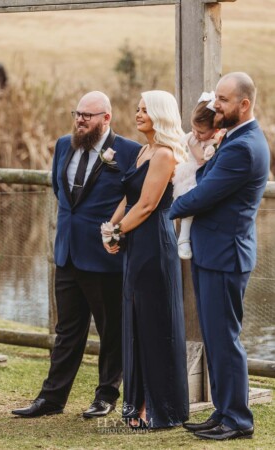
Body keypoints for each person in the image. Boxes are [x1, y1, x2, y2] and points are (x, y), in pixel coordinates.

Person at [12, 91, 141, 418]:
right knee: (67, 330)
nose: (80, 120)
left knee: (111, 330)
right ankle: (51, 399)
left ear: (106, 118)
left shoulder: (128, 152)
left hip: (105, 257)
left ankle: (106, 396)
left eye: (88, 115)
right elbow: (61, 191)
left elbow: (137, 198)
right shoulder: (62, 145)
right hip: (67, 253)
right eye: (78, 113)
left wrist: (116, 232)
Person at [170, 72, 270, 441]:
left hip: (225, 255)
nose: (216, 106)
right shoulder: (234, 138)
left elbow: (202, 195)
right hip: (214, 252)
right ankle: (223, 410)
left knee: (225, 339)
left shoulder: (243, 147)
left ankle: (238, 420)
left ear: (244, 104)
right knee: (215, 337)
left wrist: (160, 209)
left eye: (223, 101)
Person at [101, 90, 189, 429]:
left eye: (144, 110)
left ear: (160, 115)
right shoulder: (143, 151)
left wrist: (118, 233)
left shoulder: (165, 155)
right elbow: (130, 197)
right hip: (136, 241)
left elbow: (149, 204)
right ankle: (136, 404)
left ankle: (159, 408)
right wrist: (110, 227)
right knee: (135, 318)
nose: (137, 115)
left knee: (155, 321)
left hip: (155, 243)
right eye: (137, 110)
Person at [173, 91, 226, 259]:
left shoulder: (222, 138)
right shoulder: (193, 139)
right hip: (192, 175)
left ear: (216, 128)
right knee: (190, 203)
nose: (196, 134)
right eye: (194, 129)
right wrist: (211, 147)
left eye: (201, 132)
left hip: (206, 178)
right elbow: (202, 161)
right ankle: (183, 238)